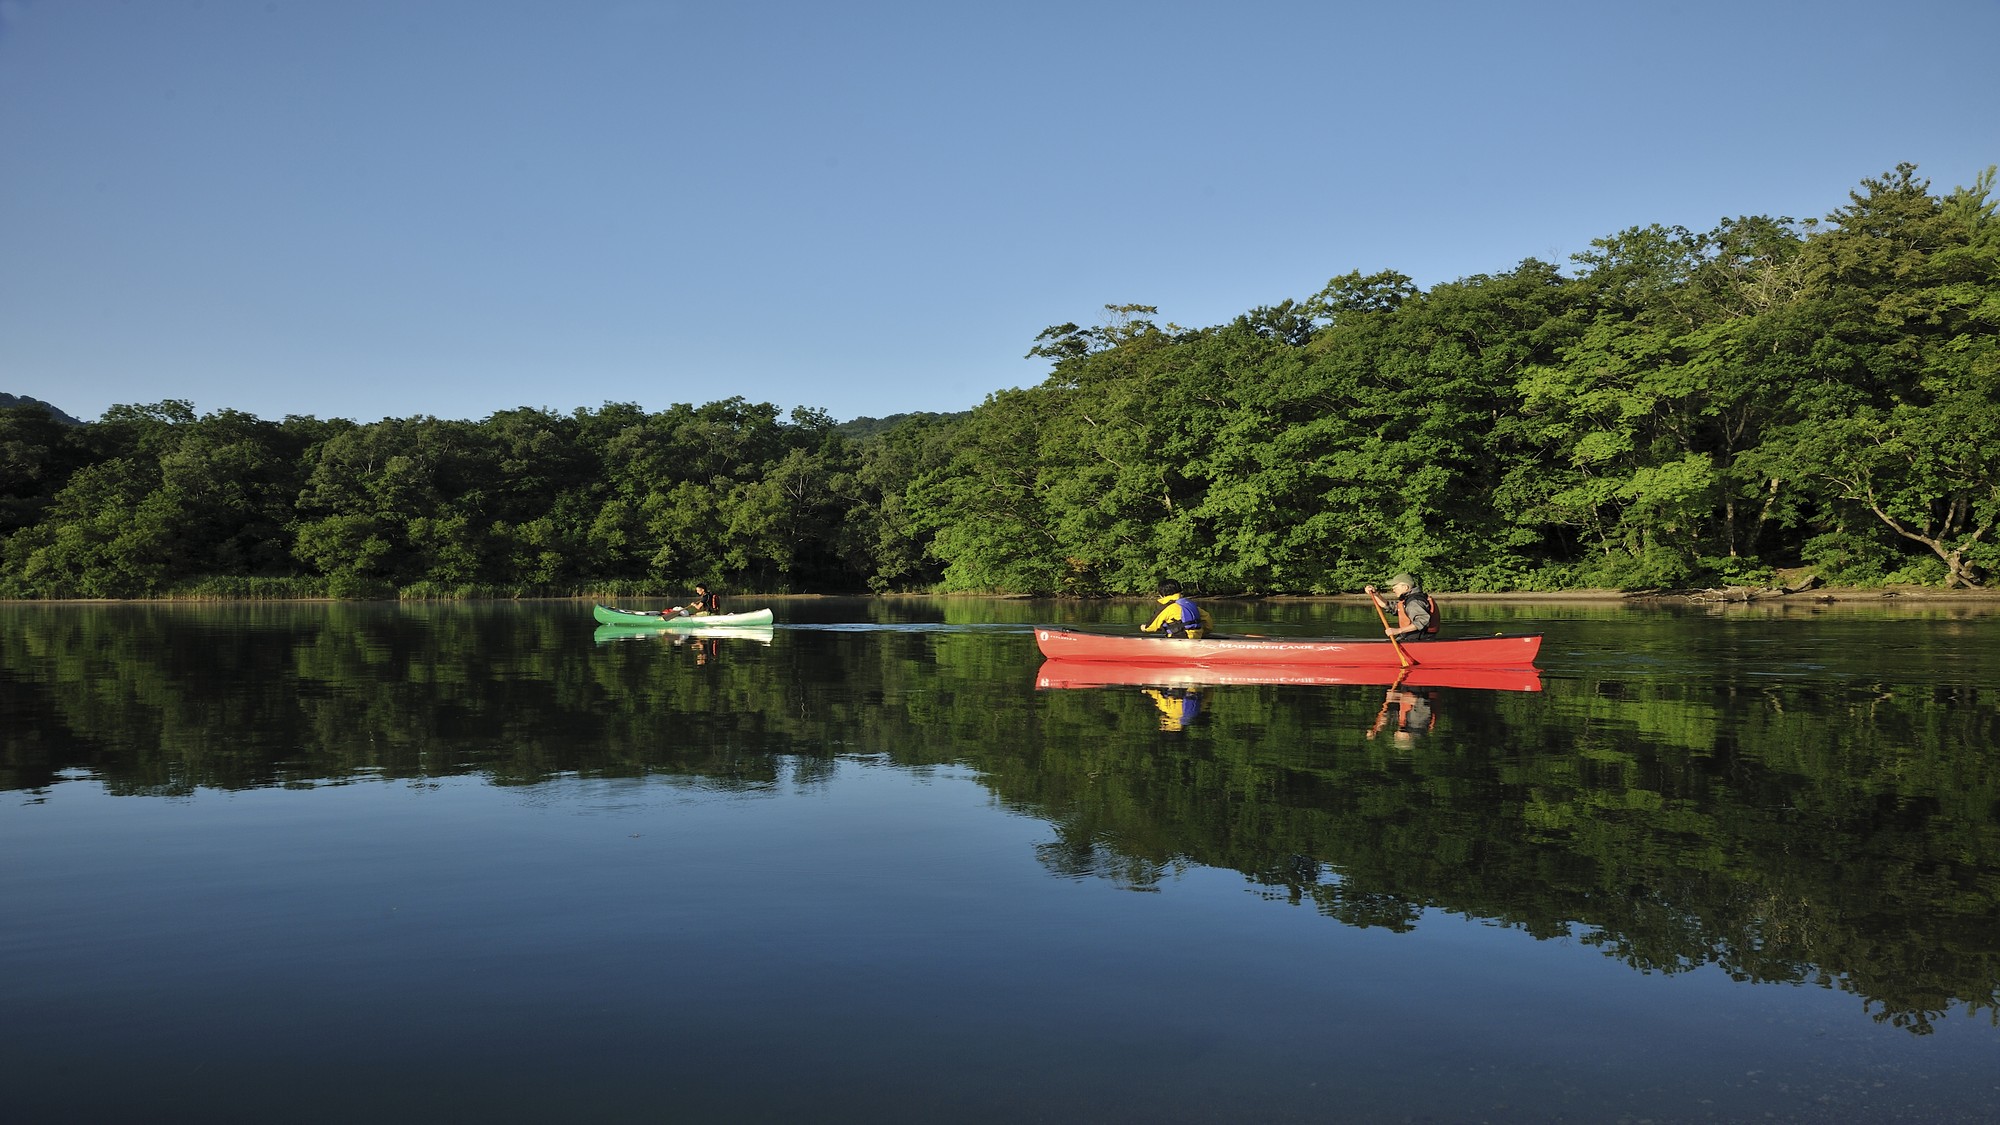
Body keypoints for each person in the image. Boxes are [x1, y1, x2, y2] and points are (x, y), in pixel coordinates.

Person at [1364, 572, 1439, 643]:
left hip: (1417, 640)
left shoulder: (1414, 602)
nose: (1393, 590)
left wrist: (1398, 631)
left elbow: (1422, 621)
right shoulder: (1408, 600)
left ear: (1405, 587)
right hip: (1411, 639)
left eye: (1395, 587)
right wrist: (1375, 594)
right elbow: (1389, 606)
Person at [1142, 579, 1212, 640]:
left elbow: (1151, 627)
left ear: (1162, 594)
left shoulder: (1167, 607)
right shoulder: (1190, 604)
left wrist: (1144, 627)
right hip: (1197, 637)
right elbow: (1207, 618)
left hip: (1180, 638)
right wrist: (1204, 632)